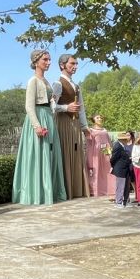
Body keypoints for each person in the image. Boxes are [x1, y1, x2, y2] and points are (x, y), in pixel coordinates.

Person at [12, 50, 67, 205]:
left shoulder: (47, 82)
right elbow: (29, 106)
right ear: (36, 62)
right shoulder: (33, 81)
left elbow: (51, 101)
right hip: (38, 118)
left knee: (50, 154)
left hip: (48, 116)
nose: (48, 62)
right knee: (38, 155)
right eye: (45, 60)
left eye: (49, 60)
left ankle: (50, 191)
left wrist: (54, 102)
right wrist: (37, 126)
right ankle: (36, 193)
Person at [53, 53, 90, 200]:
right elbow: (52, 106)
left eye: (76, 64)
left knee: (76, 153)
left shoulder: (76, 86)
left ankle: (75, 189)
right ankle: (65, 190)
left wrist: (85, 126)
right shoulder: (58, 83)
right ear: (63, 65)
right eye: (72, 64)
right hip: (63, 123)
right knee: (65, 153)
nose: (75, 66)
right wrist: (66, 108)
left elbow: (81, 108)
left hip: (75, 124)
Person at [85, 112, 115, 198]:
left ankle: (110, 189)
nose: (100, 119)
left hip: (105, 151)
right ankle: (95, 190)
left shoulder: (105, 130)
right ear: (93, 119)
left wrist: (110, 153)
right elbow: (89, 145)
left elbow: (109, 142)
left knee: (108, 169)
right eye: (97, 117)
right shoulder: (91, 130)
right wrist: (90, 157)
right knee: (96, 170)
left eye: (100, 118)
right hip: (96, 152)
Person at [110, 131, 133, 207]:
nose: (126, 140)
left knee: (126, 186)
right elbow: (113, 158)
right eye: (125, 139)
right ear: (121, 139)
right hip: (120, 169)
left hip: (126, 169)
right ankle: (118, 202)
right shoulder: (117, 146)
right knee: (120, 186)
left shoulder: (122, 146)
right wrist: (115, 166)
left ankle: (125, 201)